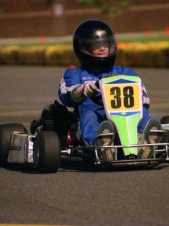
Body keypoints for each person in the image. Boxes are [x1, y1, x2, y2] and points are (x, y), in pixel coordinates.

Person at [58, 19, 160, 160]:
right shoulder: (75, 73)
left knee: (142, 110)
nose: (102, 48)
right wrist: (85, 90)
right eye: (96, 45)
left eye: (105, 44)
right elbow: (66, 94)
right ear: (84, 48)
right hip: (96, 118)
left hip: (126, 118)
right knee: (88, 113)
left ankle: (145, 141)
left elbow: (144, 100)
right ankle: (101, 144)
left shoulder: (126, 73)